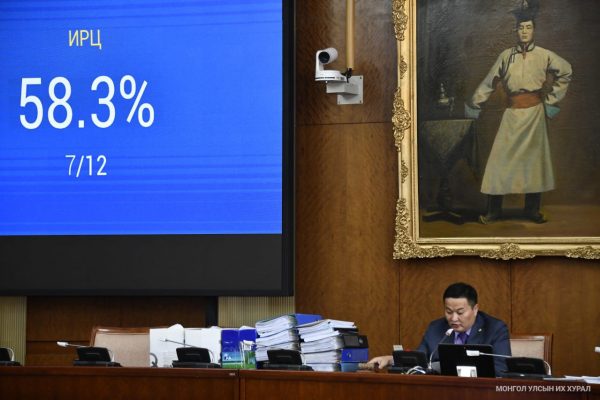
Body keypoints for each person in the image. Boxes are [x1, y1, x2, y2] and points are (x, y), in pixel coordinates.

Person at [464, 3, 572, 224]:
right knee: (499, 161)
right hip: (512, 115)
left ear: (534, 30)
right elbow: (490, 82)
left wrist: (551, 101)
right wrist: (475, 104)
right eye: (521, 27)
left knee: (534, 163)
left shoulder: (544, 55)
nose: (524, 31)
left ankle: (532, 211)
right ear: (515, 30)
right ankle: (493, 211)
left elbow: (566, 71)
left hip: (535, 116)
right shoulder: (506, 56)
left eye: (528, 27)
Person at [367, 282, 511, 374]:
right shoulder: (436, 328)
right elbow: (420, 360)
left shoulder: (495, 329)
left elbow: (501, 369)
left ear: (475, 309)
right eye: (449, 312)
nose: (453, 318)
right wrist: (390, 359)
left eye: (460, 312)